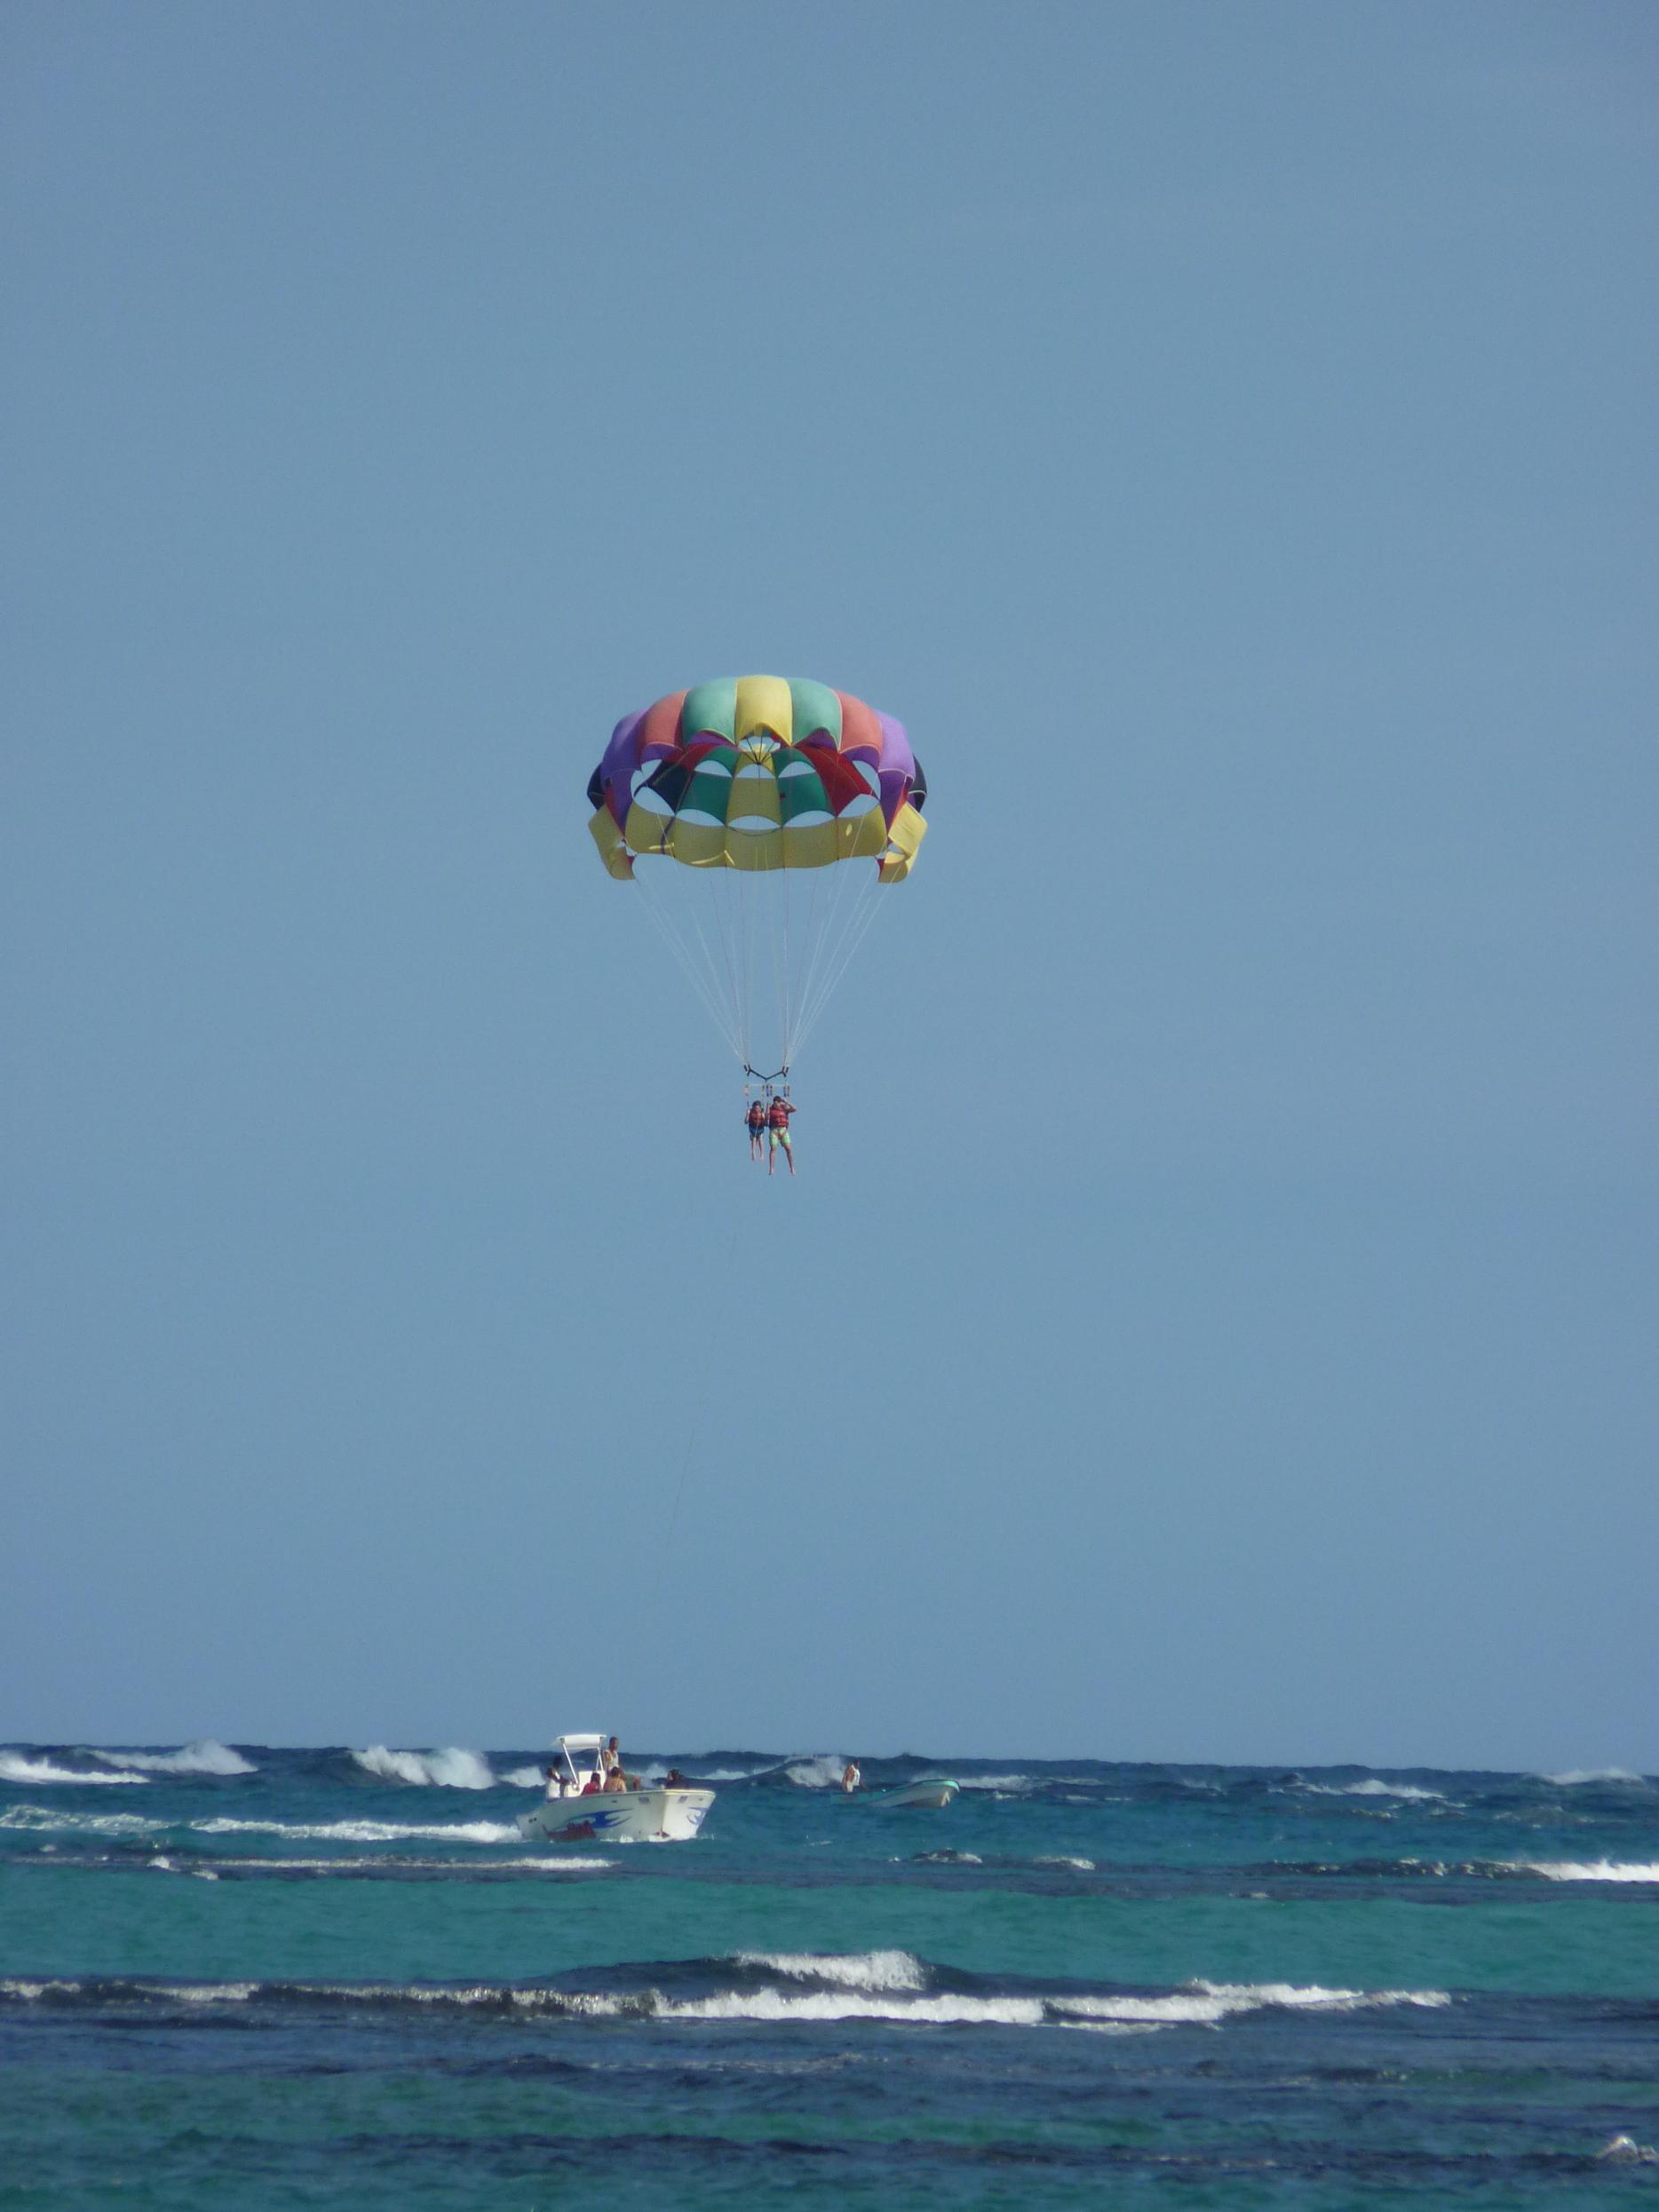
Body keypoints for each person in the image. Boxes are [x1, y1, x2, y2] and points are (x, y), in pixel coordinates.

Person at [766, 1090, 797, 1177]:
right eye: (774, 1103)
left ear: (780, 1103)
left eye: (777, 1103)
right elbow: (766, 1117)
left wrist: (786, 1102)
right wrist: (767, 1108)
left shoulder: (785, 1108)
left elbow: (794, 1109)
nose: (776, 1105)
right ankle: (771, 1168)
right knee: (773, 1148)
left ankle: (792, 1167)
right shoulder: (771, 1109)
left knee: (788, 1149)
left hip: (783, 1130)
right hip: (774, 1130)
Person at [746, 1097, 766, 1161]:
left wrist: (764, 1117)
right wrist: (747, 1114)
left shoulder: (762, 1112)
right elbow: (746, 1122)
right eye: (755, 1108)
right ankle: (753, 1153)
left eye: (758, 1108)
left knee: (760, 1138)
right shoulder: (750, 1112)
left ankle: (762, 1154)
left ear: (760, 1108)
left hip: (760, 1128)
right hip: (753, 1128)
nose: (756, 1109)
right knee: (754, 1138)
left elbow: (766, 1124)